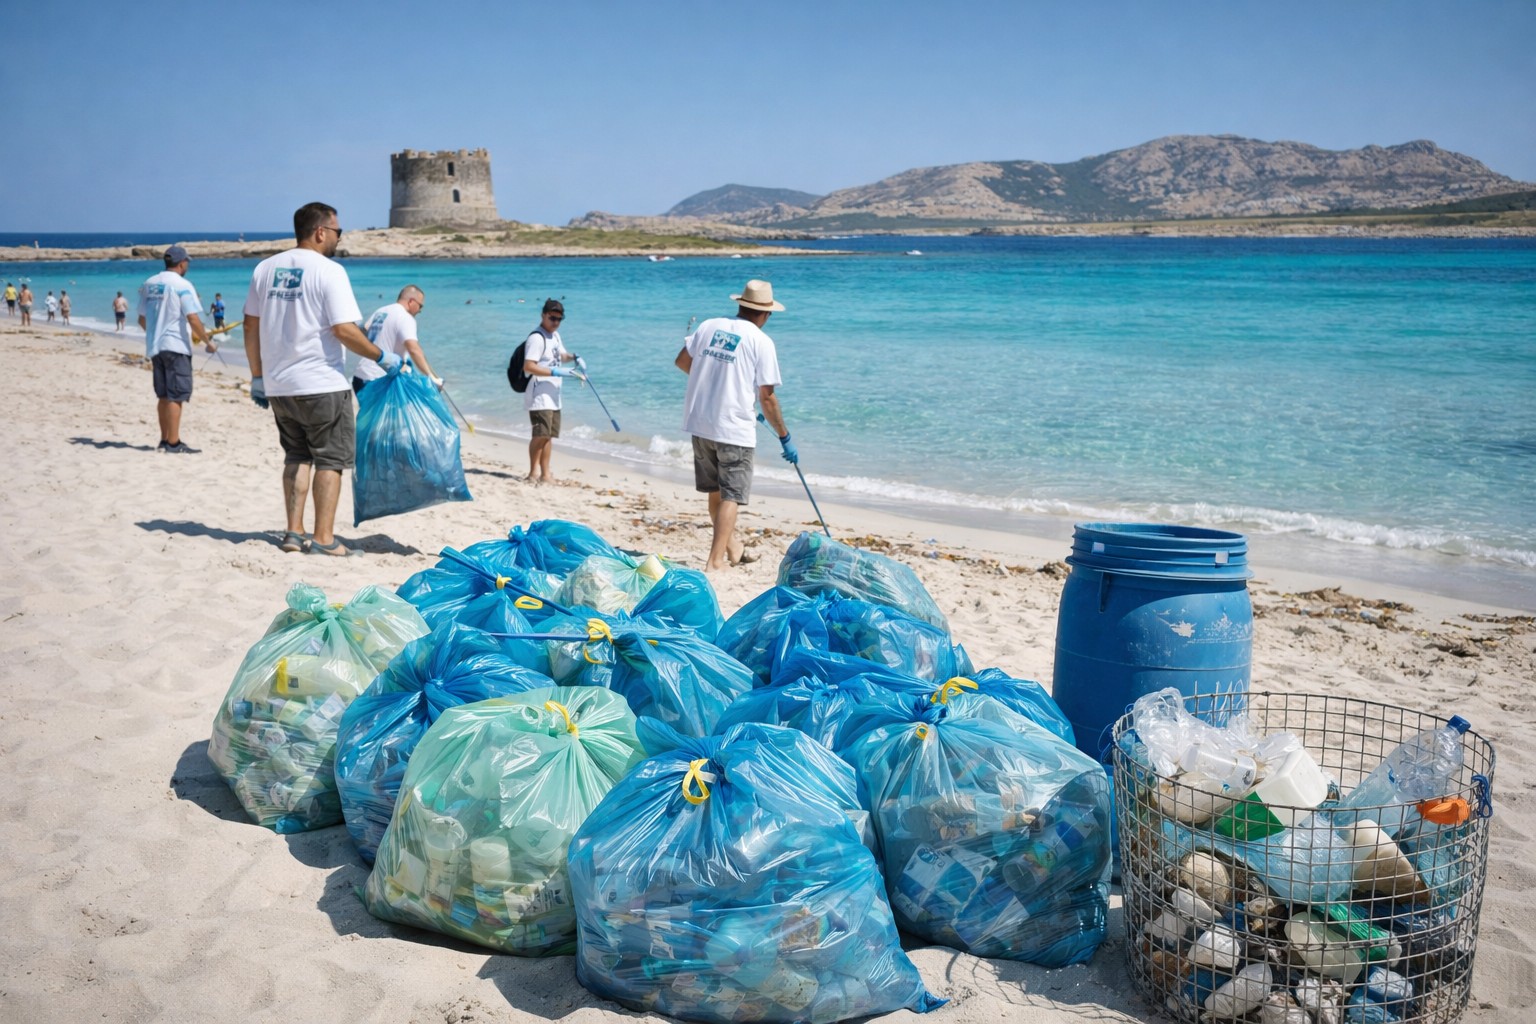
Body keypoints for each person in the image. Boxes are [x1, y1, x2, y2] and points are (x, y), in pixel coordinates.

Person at [243, 201, 401, 556]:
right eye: (337, 231)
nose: (339, 238)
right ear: (320, 232)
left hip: (280, 386)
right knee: (330, 460)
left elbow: (251, 326)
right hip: (322, 384)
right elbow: (344, 330)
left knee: (296, 455)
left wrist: (258, 376)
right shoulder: (329, 271)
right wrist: (381, 356)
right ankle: (325, 539)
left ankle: (293, 533)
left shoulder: (264, 269)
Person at [674, 279, 798, 571]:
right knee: (731, 496)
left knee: (716, 493)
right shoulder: (761, 341)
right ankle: (715, 561)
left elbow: (682, 361)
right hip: (733, 429)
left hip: (700, 423)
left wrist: (713, 383)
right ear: (765, 313)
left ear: (741, 304)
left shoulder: (709, 325)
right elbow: (767, 397)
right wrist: (784, 436)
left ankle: (733, 549)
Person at [139, 244, 212, 453]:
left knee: (163, 395)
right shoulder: (182, 285)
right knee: (176, 396)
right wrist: (207, 342)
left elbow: (142, 319)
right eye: (186, 262)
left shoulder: (149, 283)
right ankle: (173, 442)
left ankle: (164, 440)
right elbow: (193, 318)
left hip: (156, 347)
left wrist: (155, 334)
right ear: (181, 263)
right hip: (176, 347)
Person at [521, 298, 585, 483]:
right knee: (540, 434)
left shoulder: (555, 336)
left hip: (554, 395)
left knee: (549, 436)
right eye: (552, 318)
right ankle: (532, 473)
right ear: (543, 315)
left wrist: (575, 357)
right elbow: (528, 366)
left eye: (559, 319)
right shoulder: (536, 338)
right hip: (539, 394)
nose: (556, 322)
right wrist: (555, 371)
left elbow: (561, 356)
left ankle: (545, 474)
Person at [353, 285, 437, 393]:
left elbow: (363, 334)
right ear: (411, 301)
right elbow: (414, 350)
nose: (420, 310)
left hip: (360, 376)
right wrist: (431, 377)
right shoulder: (406, 318)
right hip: (379, 380)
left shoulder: (381, 311)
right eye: (420, 306)